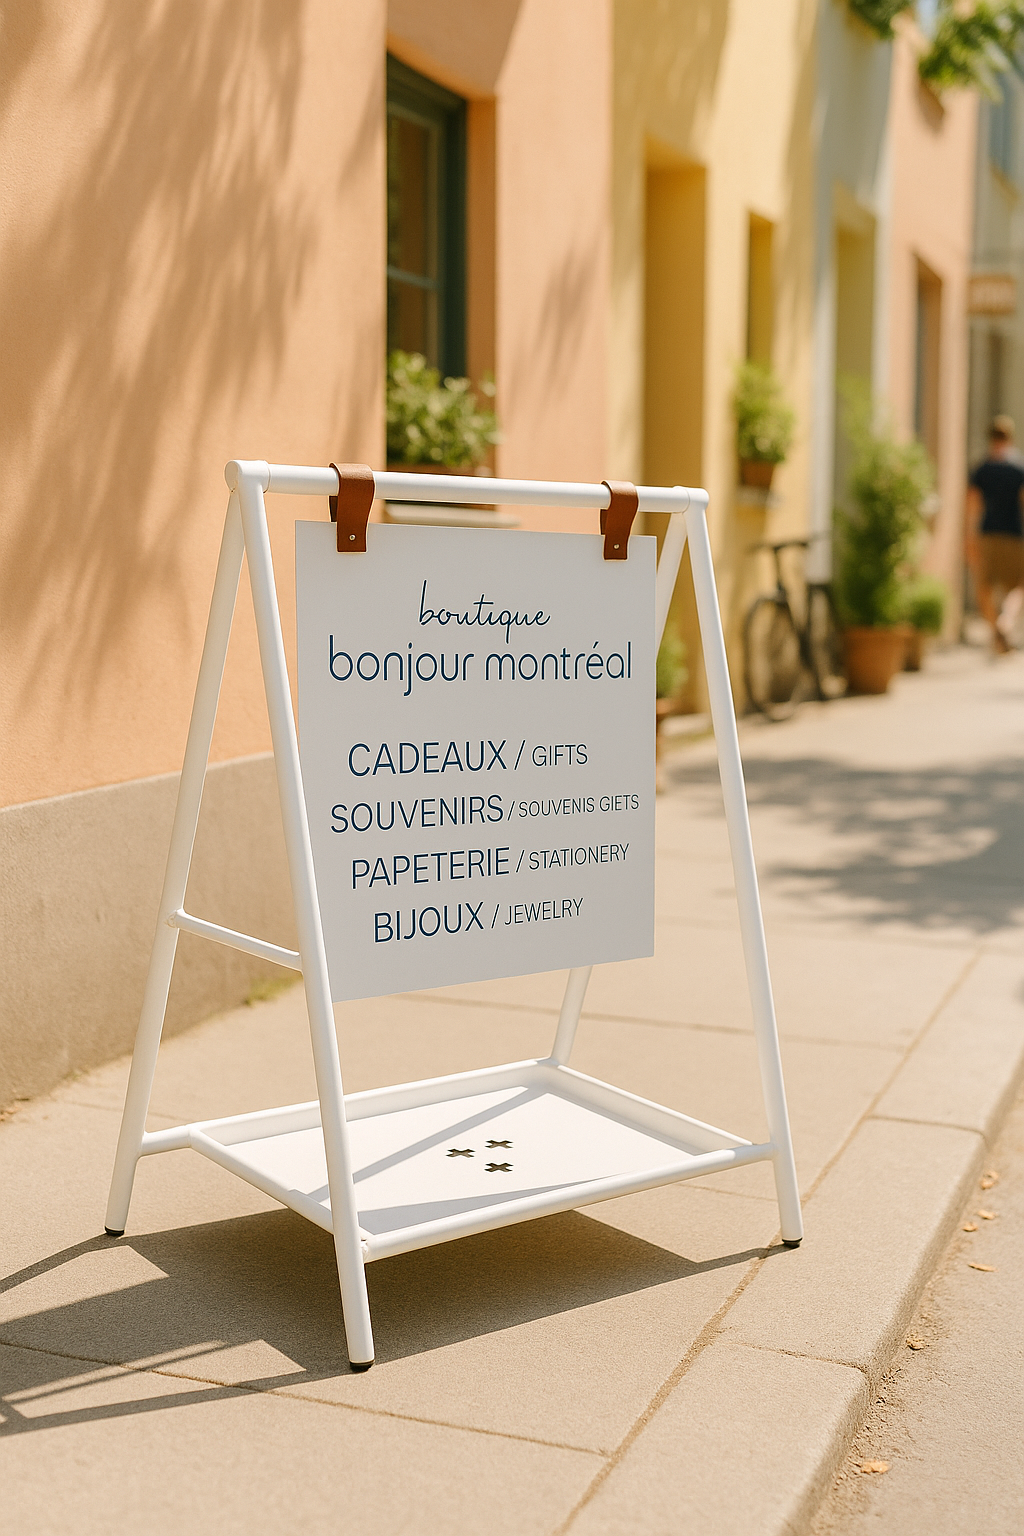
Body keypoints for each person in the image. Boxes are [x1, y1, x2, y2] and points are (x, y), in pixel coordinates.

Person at [967, 415, 1024, 654]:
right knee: (1018, 586)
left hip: (988, 533)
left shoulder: (981, 469)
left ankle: (995, 630)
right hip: (1014, 534)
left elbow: (971, 506)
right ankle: (1006, 621)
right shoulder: (1019, 468)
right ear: (1009, 437)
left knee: (985, 588)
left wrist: (968, 538)